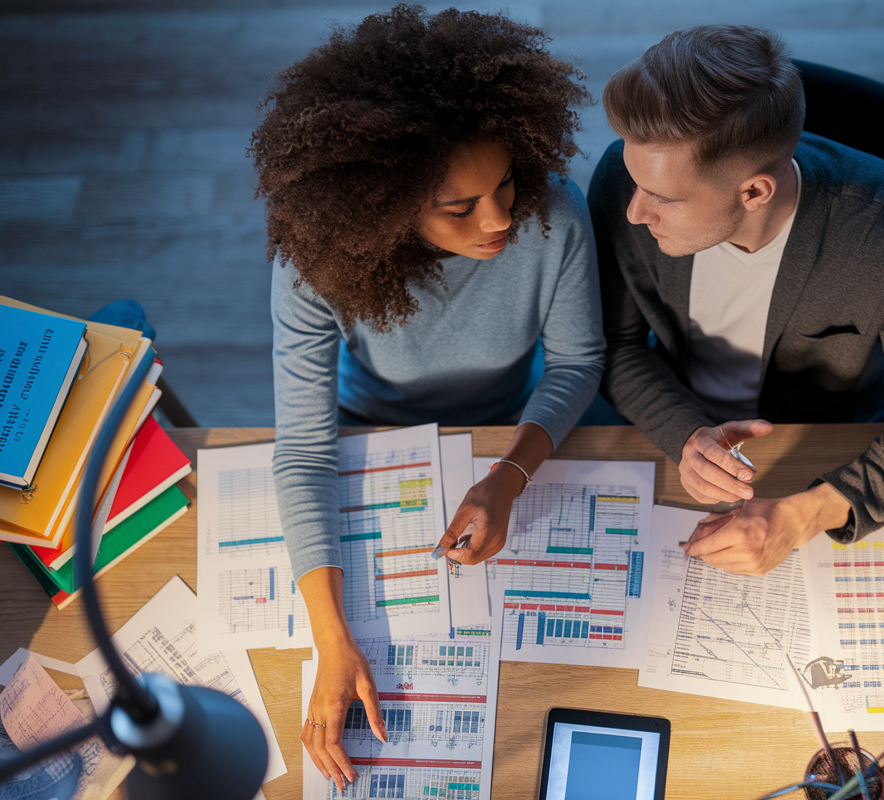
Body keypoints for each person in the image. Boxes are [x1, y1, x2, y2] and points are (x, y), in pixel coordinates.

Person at [251, 6, 603, 791]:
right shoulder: (316, 262)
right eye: (460, 207)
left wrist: (507, 475)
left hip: (504, 428)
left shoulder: (555, 219)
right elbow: (306, 449)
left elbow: (579, 363)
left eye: (506, 182)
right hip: (369, 428)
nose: (502, 218)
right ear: (382, 206)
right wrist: (332, 643)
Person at [589, 25, 884, 577]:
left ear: (754, 192)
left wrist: (802, 517)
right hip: (673, 408)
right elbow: (616, 344)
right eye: (636, 185)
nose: (634, 212)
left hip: (825, 437)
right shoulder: (622, 178)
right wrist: (685, 433)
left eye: (664, 199)